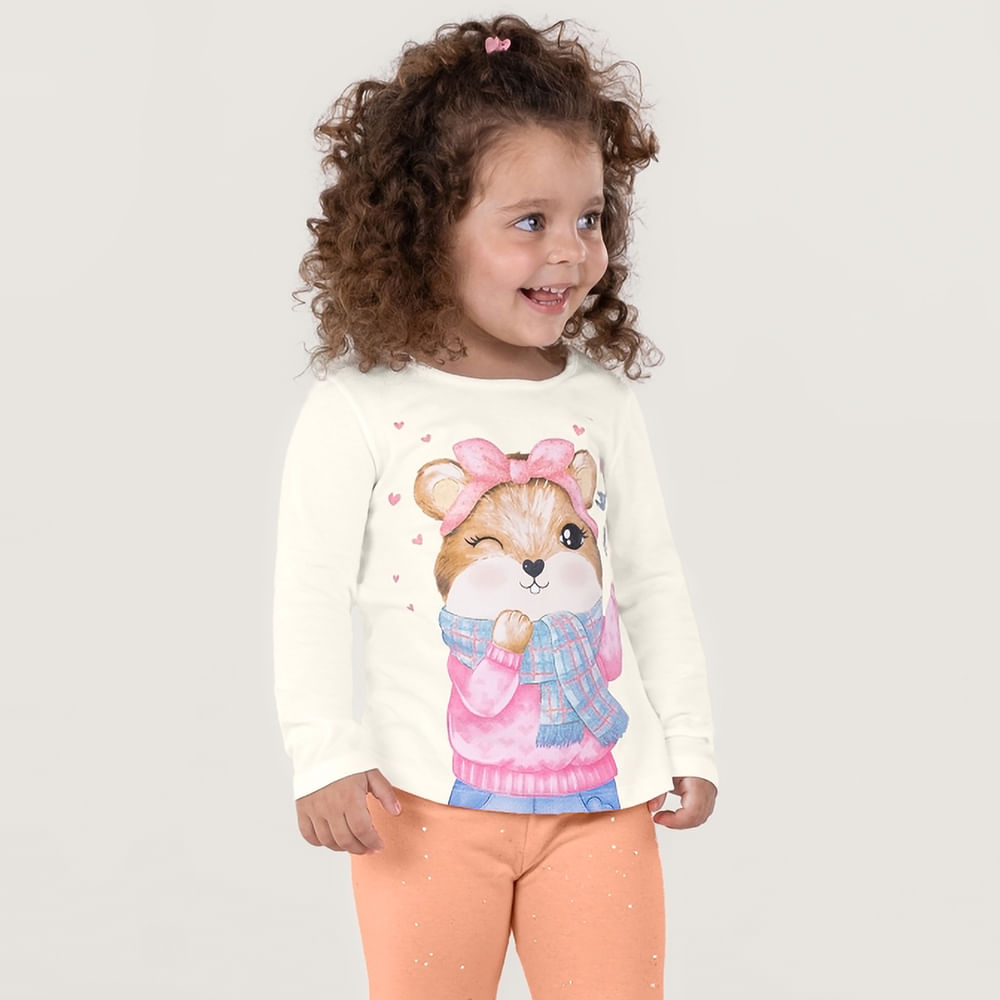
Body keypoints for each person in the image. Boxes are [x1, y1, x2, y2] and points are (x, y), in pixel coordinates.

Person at [272, 14, 718, 999]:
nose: (572, 252)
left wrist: (687, 735)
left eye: (589, 218)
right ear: (427, 228)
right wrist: (324, 753)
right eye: (530, 221)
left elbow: (647, 579)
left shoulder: (602, 404)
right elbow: (309, 591)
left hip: (601, 803)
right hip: (421, 809)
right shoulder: (358, 409)